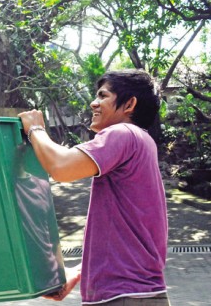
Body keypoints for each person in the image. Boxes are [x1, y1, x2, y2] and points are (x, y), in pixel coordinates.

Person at [18, 69, 170, 305]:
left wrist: (35, 130)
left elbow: (61, 167)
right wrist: (79, 273)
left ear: (129, 104)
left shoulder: (123, 133)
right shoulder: (142, 142)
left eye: (103, 96)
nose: (94, 103)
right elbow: (125, 236)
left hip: (125, 296)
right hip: (135, 294)